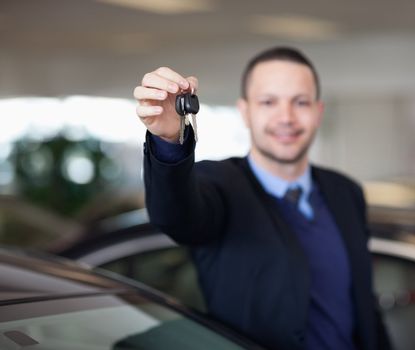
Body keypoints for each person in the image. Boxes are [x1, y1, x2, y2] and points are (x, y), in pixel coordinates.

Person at [134, 47, 391, 350]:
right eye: (269, 102)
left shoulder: (346, 192)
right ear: (245, 111)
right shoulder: (219, 186)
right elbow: (175, 217)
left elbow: (364, 306)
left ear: (318, 112)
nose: (286, 117)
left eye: (301, 102)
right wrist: (168, 141)